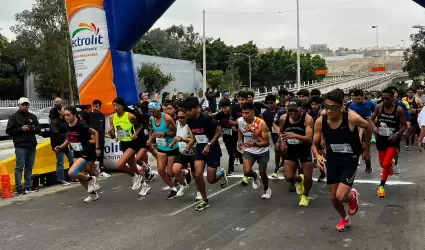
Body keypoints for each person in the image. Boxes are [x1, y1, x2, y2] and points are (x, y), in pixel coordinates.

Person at [312, 89, 372, 232]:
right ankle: (344, 217)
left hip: (350, 159)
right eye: (326, 107)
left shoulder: (351, 118)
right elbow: (314, 144)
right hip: (333, 159)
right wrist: (318, 155)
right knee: (333, 198)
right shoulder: (321, 121)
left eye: (333, 107)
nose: (329, 111)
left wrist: (367, 147)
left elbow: (368, 126)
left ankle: (351, 196)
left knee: (341, 195)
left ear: (341, 107)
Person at [183, 97, 228, 211]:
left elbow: (218, 132)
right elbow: (195, 136)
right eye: (186, 110)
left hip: (212, 148)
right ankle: (205, 200)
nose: (187, 112)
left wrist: (209, 144)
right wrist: (189, 145)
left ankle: (221, 174)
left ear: (197, 108)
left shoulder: (207, 118)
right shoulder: (189, 120)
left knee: (211, 180)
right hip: (200, 148)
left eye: (190, 110)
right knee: (198, 175)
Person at [56, 106, 101, 203]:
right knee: (78, 175)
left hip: (86, 152)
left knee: (72, 172)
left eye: (68, 115)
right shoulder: (66, 126)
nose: (66, 117)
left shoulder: (81, 126)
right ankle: (93, 194)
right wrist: (61, 147)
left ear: (74, 114)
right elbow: (69, 139)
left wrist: (97, 147)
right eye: (65, 116)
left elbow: (96, 133)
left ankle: (91, 179)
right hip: (76, 152)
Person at [370, 88, 407, 197]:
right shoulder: (378, 107)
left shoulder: (399, 109)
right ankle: (389, 164)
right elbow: (371, 120)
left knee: (385, 164)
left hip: (392, 140)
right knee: (383, 164)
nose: (385, 100)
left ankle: (381, 186)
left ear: (393, 98)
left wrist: (397, 134)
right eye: (383, 98)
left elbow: (404, 125)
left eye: (387, 98)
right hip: (381, 139)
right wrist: (374, 128)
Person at [108, 97, 148, 196]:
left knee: (120, 164)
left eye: (117, 105)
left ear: (122, 106)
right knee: (133, 166)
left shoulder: (130, 116)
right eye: (114, 106)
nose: (115, 108)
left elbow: (140, 126)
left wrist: (136, 134)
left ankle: (135, 177)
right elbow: (113, 136)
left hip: (133, 142)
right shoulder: (112, 118)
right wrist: (111, 133)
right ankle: (144, 185)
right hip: (123, 143)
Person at [279, 98, 314, 206]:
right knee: (288, 177)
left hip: (304, 148)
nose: (292, 113)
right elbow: (281, 132)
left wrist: (294, 135)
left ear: (301, 109)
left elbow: (309, 138)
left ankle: (305, 196)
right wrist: (282, 142)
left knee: (308, 176)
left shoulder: (307, 119)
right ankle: (299, 179)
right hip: (291, 148)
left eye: (294, 110)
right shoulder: (283, 118)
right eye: (290, 110)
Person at [6, 97, 41, 195]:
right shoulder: (14, 117)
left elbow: (38, 128)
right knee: (19, 167)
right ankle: (19, 187)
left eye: (26, 104)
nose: (25, 106)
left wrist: (30, 128)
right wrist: (20, 129)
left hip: (31, 145)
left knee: (29, 167)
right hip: (20, 145)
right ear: (19, 105)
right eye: (23, 104)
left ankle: (28, 186)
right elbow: (9, 131)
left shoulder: (32, 116)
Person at [238, 102, 272, 199]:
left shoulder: (261, 123)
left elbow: (267, 143)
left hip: (262, 151)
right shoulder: (240, 121)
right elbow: (240, 130)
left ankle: (266, 189)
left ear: (253, 112)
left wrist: (254, 143)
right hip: (249, 150)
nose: (244, 115)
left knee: (263, 174)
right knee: (247, 172)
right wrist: (239, 140)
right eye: (243, 113)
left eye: (247, 113)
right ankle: (254, 176)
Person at [147, 101, 179, 199]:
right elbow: (154, 131)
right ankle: (173, 189)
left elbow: (175, 132)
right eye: (150, 111)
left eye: (153, 111)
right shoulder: (152, 118)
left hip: (171, 146)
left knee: (171, 172)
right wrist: (150, 139)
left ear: (158, 109)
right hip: (161, 147)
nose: (151, 113)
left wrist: (164, 134)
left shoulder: (167, 118)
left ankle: (186, 172)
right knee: (161, 170)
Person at [170, 109, 196, 198]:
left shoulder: (189, 126)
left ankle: (200, 193)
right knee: (175, 170)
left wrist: (182, 139)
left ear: (186, 117)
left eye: (182, 117)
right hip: (182, 151)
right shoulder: (177, 123)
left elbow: (193, 139)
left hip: (192, 152)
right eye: (179, 117)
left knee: (196, 175)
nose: (180, 119)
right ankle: (184, 185)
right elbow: (177, 136)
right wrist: (173, 143)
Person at [349, 89, 375, 173]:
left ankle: (368, 165)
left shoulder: (370, 103)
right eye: (355, 99)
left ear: (363, 96)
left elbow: (375, 113)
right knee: (355, 146)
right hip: (356, 127)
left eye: (359, 98)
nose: (357, 100)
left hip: (367, 127)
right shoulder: (352, 105)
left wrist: (372, 121)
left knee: (365, 146)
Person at [49, 106, 73, 186]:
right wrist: (65, 136)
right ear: (59, 111)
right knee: (60, 162)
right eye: (63, 109)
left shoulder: (64, 120)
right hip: (58, 145)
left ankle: (73, 176)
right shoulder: (54, 121)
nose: (65, 111)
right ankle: (61, 179)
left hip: (66, 143)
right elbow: (55, 134)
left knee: (72, 159)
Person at [87, 99, 110, 177]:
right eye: (94, 106)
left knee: (101, 154)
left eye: (97, 106)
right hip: (92, 138)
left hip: (100, 138)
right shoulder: (88, 115)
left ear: (100, 107)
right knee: (91, 155)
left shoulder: (102, 115)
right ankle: (91, 172)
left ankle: (102, 170)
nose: (95, 108)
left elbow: (103, 127)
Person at [215, 98, 238, 176]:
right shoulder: (219, 115)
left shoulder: (233, 114)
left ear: (229, 106)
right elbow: (213, 121)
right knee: (231, 153)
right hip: (226, 136)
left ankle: (232, 168)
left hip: (236, 136)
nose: (224, 110)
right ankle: (232, 166)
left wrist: (236, 129)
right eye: (222, 108)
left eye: (225, 107)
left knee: (235, 153)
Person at [262, 94, 284, 178]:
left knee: (278, 149)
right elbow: (266, 125)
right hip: (274, 134)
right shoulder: (265, 113)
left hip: (284, 132)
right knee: (278, 150)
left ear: (275, 102)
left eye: (271, 102)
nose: (269, 105)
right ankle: (279, 165)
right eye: (267, 103)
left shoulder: (281, 111)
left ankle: (277, 168)